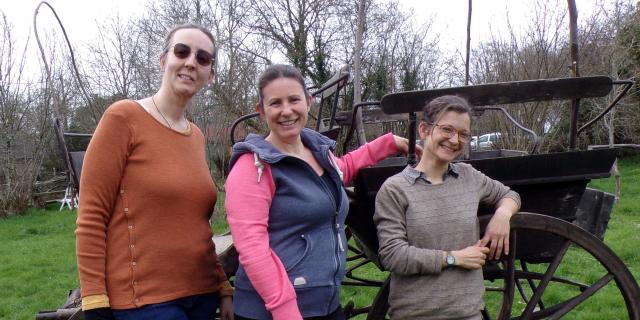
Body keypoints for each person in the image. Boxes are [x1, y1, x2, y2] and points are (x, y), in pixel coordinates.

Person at [224, 64, 416, 320]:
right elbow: (251, 247)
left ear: (308, 102)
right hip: (274, 312)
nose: (286, 111)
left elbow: (342, 169)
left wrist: (389, 143)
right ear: (261, 111)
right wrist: (285, 311)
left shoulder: (316, 151)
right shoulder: (254, 166)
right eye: (275, 103)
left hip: (324, 305)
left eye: (294, 100)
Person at [75, 23, 233, 320]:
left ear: (210, 74)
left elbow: (196, 224)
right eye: (182, 51)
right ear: (164, 60)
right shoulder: (123, 118)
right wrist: (94, 300)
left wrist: (222, 285)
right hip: (146, 303)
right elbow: (91, 216)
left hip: (201, 296)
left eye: (202, 58)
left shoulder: (196, 135)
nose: (190, 62)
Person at [374, 95, 521, 319]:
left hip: (468, 313)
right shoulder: (395, 189)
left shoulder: (469, 177)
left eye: (463, 134)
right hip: (415, 314)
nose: (455, 140)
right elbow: (393, 255)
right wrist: (453, 258)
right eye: (447, 130)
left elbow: (510, 195)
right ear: (424, 130)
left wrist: (502, 215)